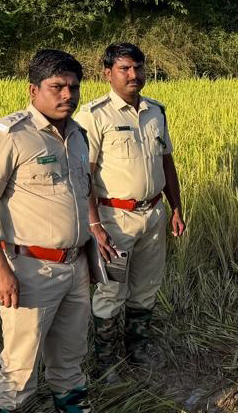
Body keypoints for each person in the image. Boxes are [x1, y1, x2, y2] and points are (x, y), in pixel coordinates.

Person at [0, 49, 120, 413]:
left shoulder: (78, 136)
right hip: (29, 271)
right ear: (33, 90)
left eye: (73, 87)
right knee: (19, 368)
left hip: (75, 267)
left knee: (69, 360)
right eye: (57, 87)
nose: (67, 95)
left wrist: (94, 227)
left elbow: (81, 190)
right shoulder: (11, 135)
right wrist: (0, 269)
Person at [74, 43, 186, 383]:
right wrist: (95, 224)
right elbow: (84, 175)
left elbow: (166, 162)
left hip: (152, 214)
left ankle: (138, 348)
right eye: (125, 68)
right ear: (107, 73)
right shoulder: (94, 116)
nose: (133, 75)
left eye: (138, 67)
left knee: (146, 287)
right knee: (111, 292)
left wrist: (176, 207)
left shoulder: (156, 111)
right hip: (113, 220)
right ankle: (106, 361)